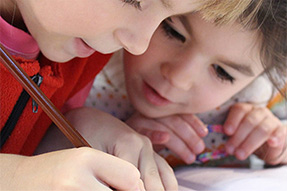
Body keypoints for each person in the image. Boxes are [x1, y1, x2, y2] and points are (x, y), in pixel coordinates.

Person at [0, 0, 264, 190]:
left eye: (163, 21)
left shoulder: (83, 51)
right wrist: (16, 177)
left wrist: (75, 133)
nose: (138, 46)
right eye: (133, 0)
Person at [83, 0, 287, 167]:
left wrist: (275, 143)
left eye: (222, 72)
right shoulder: (85, 57)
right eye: (173, 32)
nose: (178, 79)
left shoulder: (259, 97)